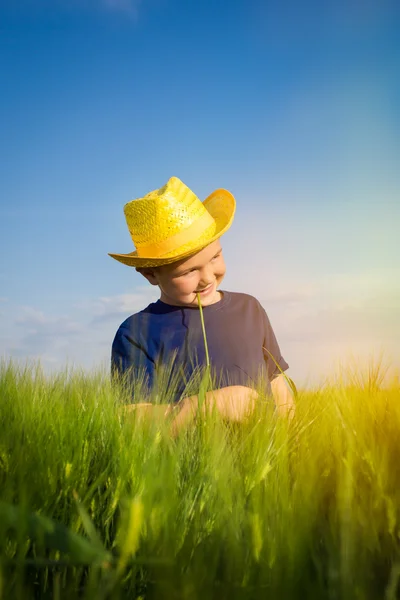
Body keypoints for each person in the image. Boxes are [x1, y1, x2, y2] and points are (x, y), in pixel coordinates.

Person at [109, 176, 295, 435]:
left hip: (263, 463)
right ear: (150, 274)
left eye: (216, 256)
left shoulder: (249, 309)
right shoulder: (136, 333)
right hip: (185, 471)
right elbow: (132, 420)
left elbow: (275, 382)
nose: (208, 277)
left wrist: (288, 434)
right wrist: (210, 406)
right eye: (189, 271)